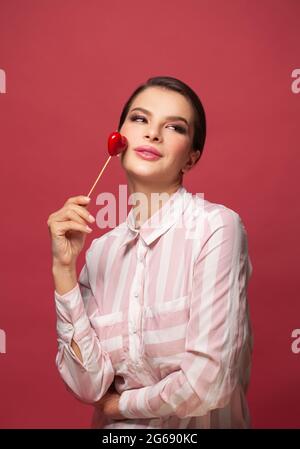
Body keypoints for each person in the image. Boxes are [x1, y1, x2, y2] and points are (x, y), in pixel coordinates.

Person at [47, 76, 253, 429]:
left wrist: (120, 405)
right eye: (140, 119)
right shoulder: (100, 252)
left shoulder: (217, 229)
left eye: (174, 127)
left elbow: (208, 382)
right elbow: (88, 385)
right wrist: (64, 269)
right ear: (118, 139)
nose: (153, 134)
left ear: (191, 158)